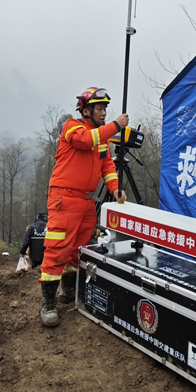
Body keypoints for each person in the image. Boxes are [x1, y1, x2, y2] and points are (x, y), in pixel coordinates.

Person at [39, 87, 128, 327]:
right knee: (57, 249)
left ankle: (69, 290)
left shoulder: (102, 138)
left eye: (105, 109)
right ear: (86, 110)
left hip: (87, 202)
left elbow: (107, 165)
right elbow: (86, 140)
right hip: (64, 198)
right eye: (99, 108)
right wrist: (116, 126)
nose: (103, 113)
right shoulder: (72, 127)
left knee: (78, 250)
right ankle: (48, 302)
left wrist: (115, 188)